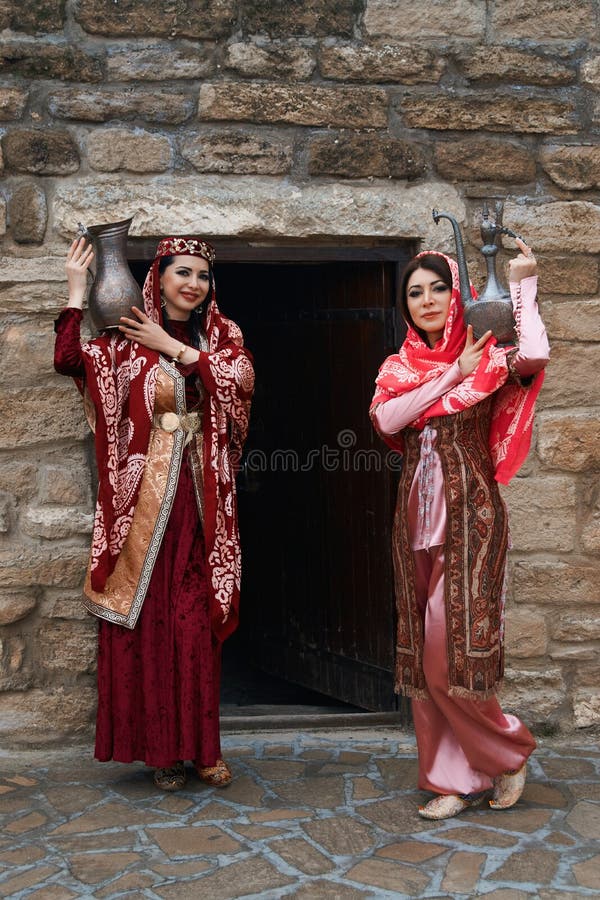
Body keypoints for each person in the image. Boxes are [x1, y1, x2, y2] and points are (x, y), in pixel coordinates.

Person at [54, 234, 254, 791]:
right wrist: (76, 291)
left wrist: (177, 347)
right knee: (150, 626)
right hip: (140, 510)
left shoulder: (222, 336)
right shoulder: (125, 338)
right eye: (182, 273)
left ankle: (204, 750)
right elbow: (69, 359)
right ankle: (163, 751)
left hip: (200, 504)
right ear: (159, 278)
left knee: (193, 625)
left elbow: (240, 383)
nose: (193, 284)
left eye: (202, 275)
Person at [370, 238, 549, 820]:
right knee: (423, 661)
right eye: (414, 292)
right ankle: (448, 779)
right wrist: (451, 375)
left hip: (471, 521)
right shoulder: (399, 366)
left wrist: (524, 284)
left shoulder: (489, 354)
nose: (425, 300)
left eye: (437, 288)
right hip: (413, 527)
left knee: (450, 657)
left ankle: (509, 752)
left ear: (457, 296)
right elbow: (387, 417)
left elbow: (535, 356)